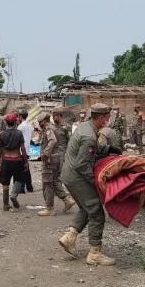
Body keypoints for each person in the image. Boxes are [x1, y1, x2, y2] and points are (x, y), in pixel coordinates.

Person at [58, 103, 123, 266]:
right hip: (76, 177)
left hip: (69, 175)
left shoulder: (86, 127)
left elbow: (93, 149)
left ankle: (69, 237)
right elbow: (82, 164)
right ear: (101, 118)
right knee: (96, 211)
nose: (108, 120)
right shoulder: (89, 136)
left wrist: (108, 149)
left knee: (87, 208)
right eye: (107, 118)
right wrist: (96, 183)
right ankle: (95, 253)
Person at [37, 112, 76, 216]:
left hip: (49, 160)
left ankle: (49, 208)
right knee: (54, 182)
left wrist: (45, 154)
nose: (39, 124)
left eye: (40, 122)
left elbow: (52, 141)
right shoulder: (53, 127)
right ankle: (67, 200)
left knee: (47, 183)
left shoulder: (49, 129)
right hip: (55, 158)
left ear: (44, 121)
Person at [0, 113, 29, 211]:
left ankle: (6, 204)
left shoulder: (2, 134)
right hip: (17, 160)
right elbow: (22, 149)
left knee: (5, 183)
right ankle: (14, 195)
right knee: (20, 178)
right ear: (15, 122)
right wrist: (26, 162)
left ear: (6, 122)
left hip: (6, 161)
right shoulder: (19, 133)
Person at [16, 109, 34, 193]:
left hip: (21, 150)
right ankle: (29, 187)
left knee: (21, 170)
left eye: (18, 116)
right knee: (26, 169)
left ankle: (22, 188)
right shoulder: (29, 126)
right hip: (27, 149)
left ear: (20, 116)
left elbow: (18, 138)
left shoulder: (20, 127)